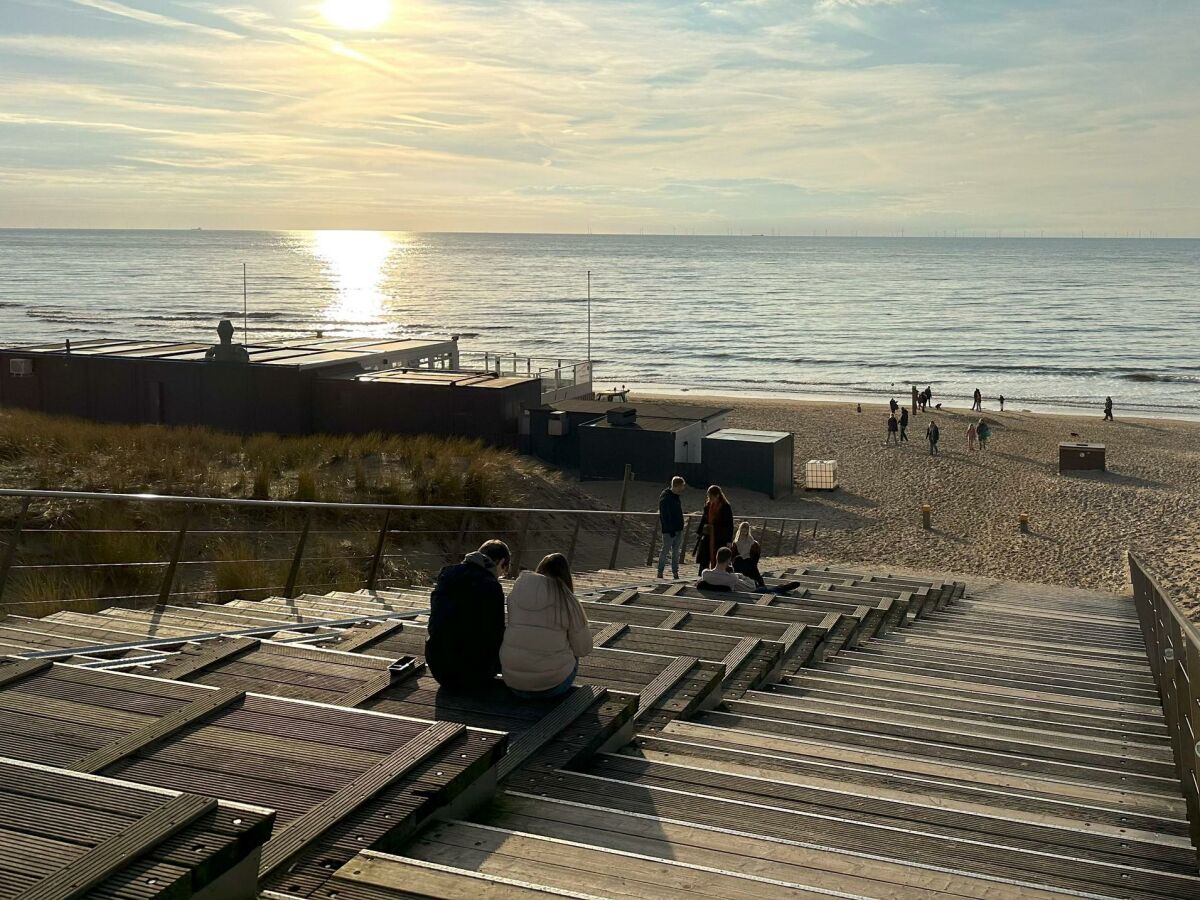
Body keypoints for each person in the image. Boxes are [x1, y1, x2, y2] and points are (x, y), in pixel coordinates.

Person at [500, 553, 593, 699]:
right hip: (551, 686)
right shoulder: (567, 600)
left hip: (513, 682)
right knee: (573, 646)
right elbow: (584, 649)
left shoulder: (516, 593)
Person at [425, 540, 510, 690]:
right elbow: (496, 634)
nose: (500, 576)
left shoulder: (447, 574)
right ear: (501, 562)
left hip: (438, 667)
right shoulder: (492, 586)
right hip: (473, 675)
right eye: (503, 571)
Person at [695, 485, 734, 573]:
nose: (710, 498)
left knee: (718, 556)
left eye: (711, 496)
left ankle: (718, 574)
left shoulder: (725, 506)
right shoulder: (708, 505)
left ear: (717, 495)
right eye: (709, 496)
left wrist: (729, 540)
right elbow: (704, 519)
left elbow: (729, 524)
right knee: (704, 556)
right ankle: (702, 574)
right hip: (708, 534)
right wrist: (699, 532)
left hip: (720, 536)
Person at [656, 476, 686, 579]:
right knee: (665, 550)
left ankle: (675, 572)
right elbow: (665, 515)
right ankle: (660, 571)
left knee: (676, 552)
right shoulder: (665, 497)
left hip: (678, 528)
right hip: (669, 530)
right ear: (676, 486)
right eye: (681, 487)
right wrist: (670, 529)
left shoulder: (676, 496)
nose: (682, 489)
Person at [731, 521, 763, 587]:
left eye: (745, 530)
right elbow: (733, 556)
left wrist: (751, 561)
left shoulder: (752, 542)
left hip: (749, 562)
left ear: (748, 531)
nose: (744, 532)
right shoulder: (736, 543)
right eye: (742, 530)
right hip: (739, 563)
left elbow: (756, 555)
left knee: (753, 570)